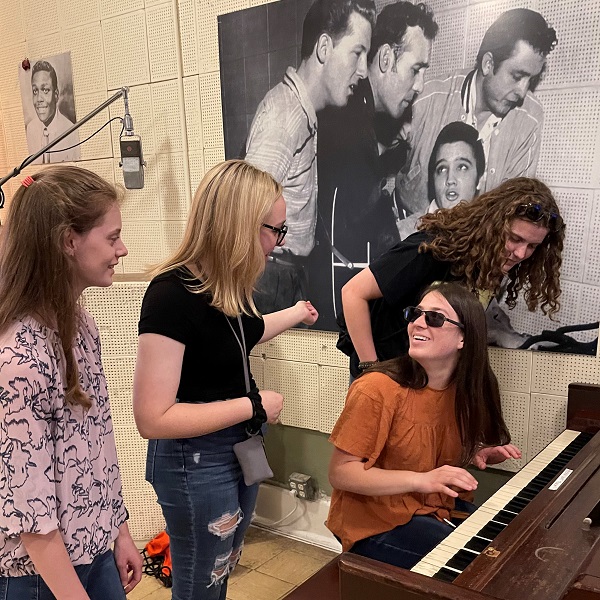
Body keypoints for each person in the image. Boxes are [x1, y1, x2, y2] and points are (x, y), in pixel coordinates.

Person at [133, 160, 319, 600]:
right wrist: (254, 406)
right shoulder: (170, 296)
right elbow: (152, 418)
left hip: (235, 449)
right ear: (239, 226)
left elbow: (245, 333)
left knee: (221, 570)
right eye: (274, 230)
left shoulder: (225, 290)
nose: (277, 243)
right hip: (195, 460)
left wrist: (296, 314)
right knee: (201, 582)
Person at [0, 166, 141, 598]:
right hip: (41, 577)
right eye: (112, 237)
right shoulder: (19, 360)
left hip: (93, 549)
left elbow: (97, 442)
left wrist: (119, 530)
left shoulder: (81, 324)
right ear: (68, 241)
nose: (123, 249)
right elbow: (31, 514)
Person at [327, 282, 521, 568]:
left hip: (433, 507)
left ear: (464, 339)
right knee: (477, 565)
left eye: (434, 318)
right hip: (374, 520)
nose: (418, 323)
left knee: (508, 546)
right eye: (415, 314)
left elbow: (428, 454)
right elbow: (341, 474)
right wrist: (424, 480)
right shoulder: (376, 388)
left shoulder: (467, 389)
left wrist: (474, 452)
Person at [340, 176, 564, 378]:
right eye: (515, 238)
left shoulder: (490, 264)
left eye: (532, 246)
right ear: (493, 225)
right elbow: (352, 293)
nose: (521, 253)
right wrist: (372, 372)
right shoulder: (433, 248)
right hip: (385, 373)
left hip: (425, 379)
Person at [311, 1, 438, 329]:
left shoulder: (359, 115)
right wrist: (429, 221)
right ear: (385, 59)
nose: (420, 84)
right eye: (416, 69)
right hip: (335, 310)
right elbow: (367, 235)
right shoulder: (352, 126)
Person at [245, 0, 376, 314]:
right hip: (272, 275)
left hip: (283, 273)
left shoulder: (300, 112)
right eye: (358, 53)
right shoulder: (284, 115)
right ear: (325, 47)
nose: (364, 70)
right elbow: (245, 214)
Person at [397, 8, 558, 217]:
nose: (522, 92)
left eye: (531, 80)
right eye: (517, 76)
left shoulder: (530, 119)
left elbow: (515, 212)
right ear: (488, 63)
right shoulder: (426, 99)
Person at [397, 120, 485, 240]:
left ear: (480, 179)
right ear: (433, 179)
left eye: (462, 167)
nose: (450, 179)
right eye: (442, 169)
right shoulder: (403, 235)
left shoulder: (492, 238)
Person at [25, 60, 81, 164]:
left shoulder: (71, 132)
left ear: (56, 95)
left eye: (45, 90)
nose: (39, 99)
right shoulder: (30, 130)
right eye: (35, 91)